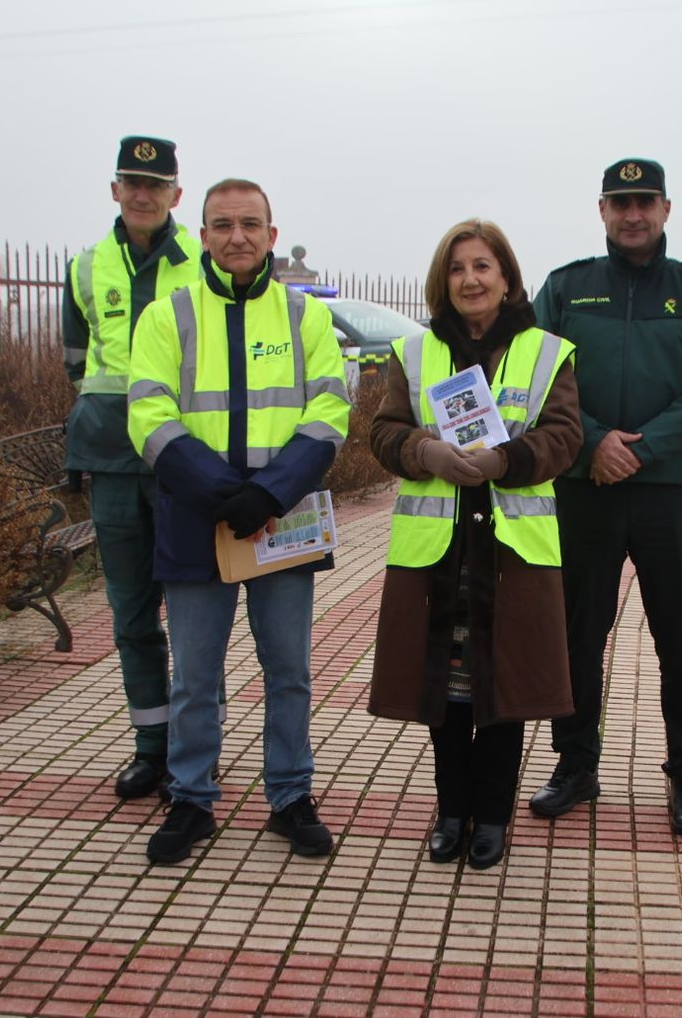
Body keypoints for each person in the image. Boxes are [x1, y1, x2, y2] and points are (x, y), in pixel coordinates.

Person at [127, 178, 351, 865]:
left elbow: (331, 408)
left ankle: (290, 795)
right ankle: (190, 797)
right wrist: (226, 492)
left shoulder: (304, 315)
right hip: (198, 519)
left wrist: (270, 494)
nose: (237, 236)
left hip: (281, 522)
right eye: (221, 224)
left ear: (272, 234)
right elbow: (147, 413)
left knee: (289, 670)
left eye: (250, 223)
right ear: (203, 235)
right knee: (195, 675)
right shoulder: (168, 315)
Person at [529, 158, 682, 836]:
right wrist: (595, 443)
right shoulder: (567, 288)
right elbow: (535, 375)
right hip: (585, 490)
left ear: (666, 209)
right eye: (620, 202)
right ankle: (575, 764)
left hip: (670, 495)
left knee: (680, 641)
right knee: (576, 638)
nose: (632, 213)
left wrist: (641, 447)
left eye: (644, 201)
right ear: (601, 211)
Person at [367, 220, 581, 871]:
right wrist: (425, 450)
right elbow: (384, 433)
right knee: (449, 695)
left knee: (503, 693)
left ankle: (492, 817)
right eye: (458, 268)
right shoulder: (415, 352)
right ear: (443, 281)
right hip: (439, 555)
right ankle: (451, 812)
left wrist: (505, 460)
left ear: (508, 278)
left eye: (483, 265)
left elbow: (566, 437)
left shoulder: (549, 351)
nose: (470, 279)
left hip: (511, 556)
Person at [63, 136, 202, 799]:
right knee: (131, 614)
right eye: (131, 182)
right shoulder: (85, 266)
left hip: (182, 461)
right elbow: (77, 362)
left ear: (176, 193)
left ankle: (193, 752)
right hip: (113, 461)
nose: (143, 194)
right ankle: (151, 745)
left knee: (197, 613)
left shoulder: (204, 263)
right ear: (115, 189)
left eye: (156, 184)